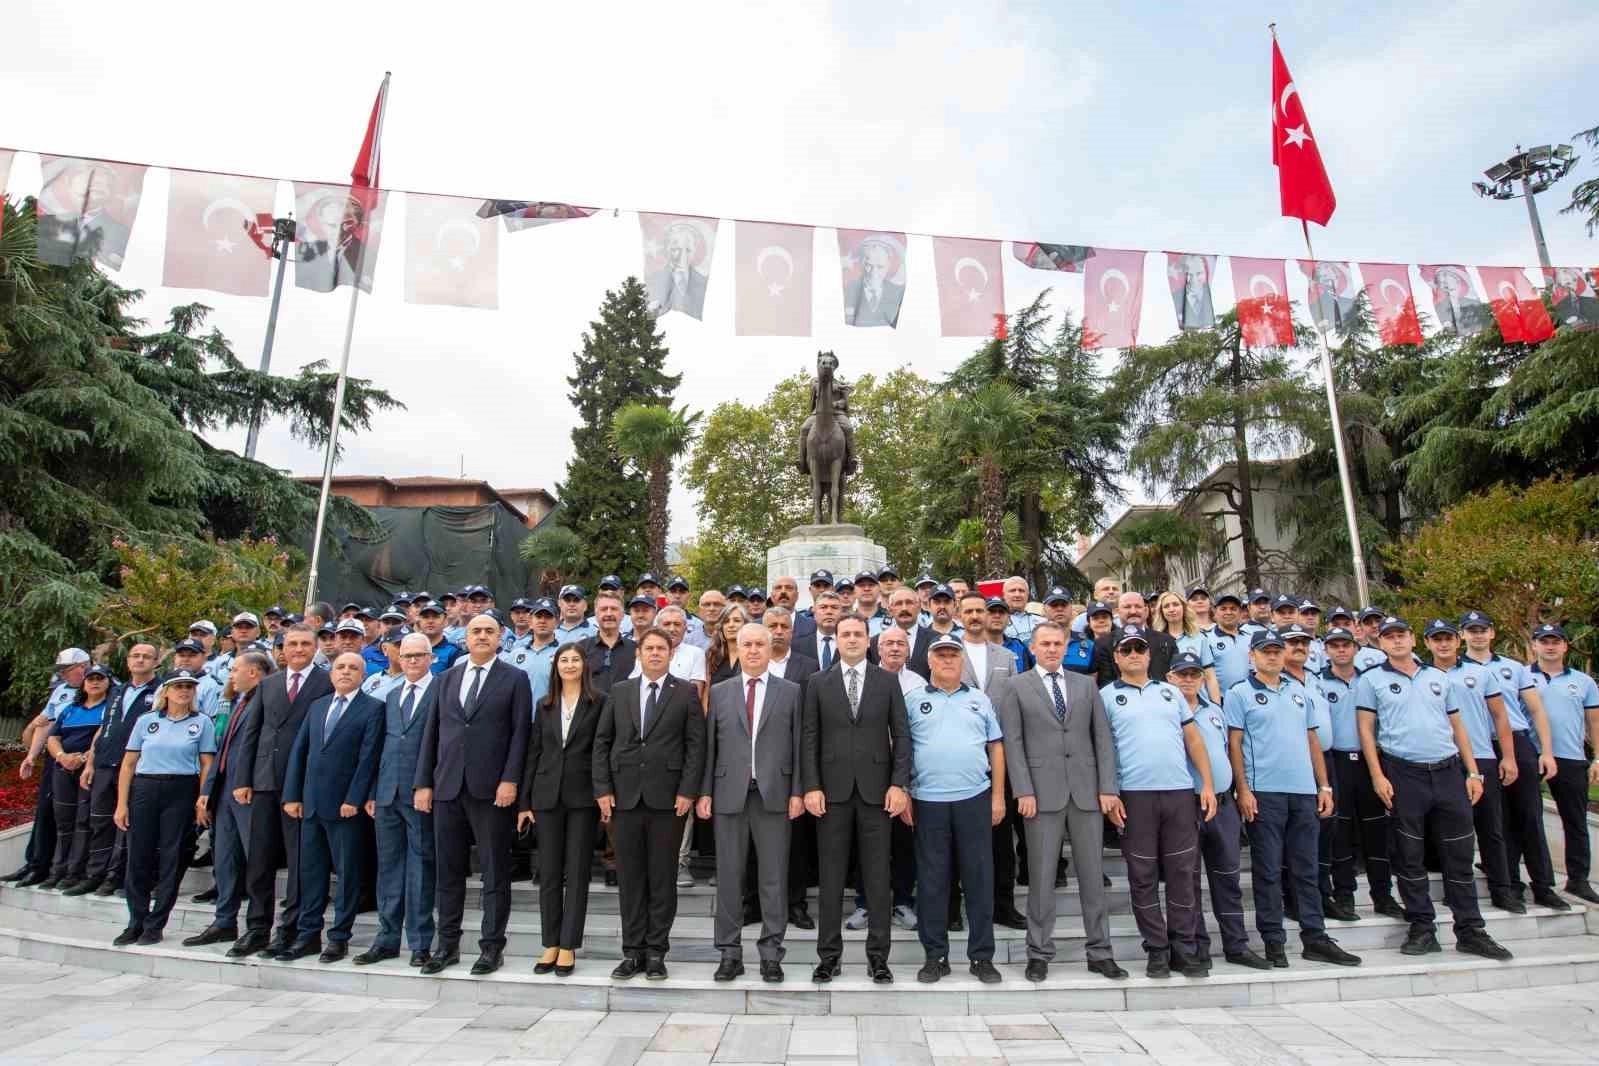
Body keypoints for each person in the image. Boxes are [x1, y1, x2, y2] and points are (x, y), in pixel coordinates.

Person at [1356, 616, 1513, 959]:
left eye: (1401, 635)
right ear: (1381, 643)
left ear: (1414, 639)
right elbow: (1366, 730)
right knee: (1409, 855)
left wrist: (1473, 773)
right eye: (1389, 637)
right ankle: (1422, 926)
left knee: (1459, 854)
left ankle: (1470, 929)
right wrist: (1377, 775)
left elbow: (1457, 727)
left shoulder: (1438, 678)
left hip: (1447, 771)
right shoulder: (1371, 680)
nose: (1396, 641)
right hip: (1403, 772)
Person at [996, 621, 1126, 983]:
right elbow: (1013, 742)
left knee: (1092, 878)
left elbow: (1102, 738)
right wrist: (1023, 790)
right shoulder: (1016, 686)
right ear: (1032, 648)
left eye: (1057, 643)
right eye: (1045, 644)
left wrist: (1108, 787)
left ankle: (1100, 952)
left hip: (1086, 793)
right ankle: (1038, 953)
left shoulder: (1085, 685)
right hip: (1040, 795)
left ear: (1066, 646)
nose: (1052, 649)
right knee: (1041, 879)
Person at [1224, 628, 1360, 968]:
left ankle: (1315, 937)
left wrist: (1323, 785)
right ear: (1252, 656)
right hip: (1264, 792)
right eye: (1265, 651)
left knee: (1307, 869)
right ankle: (1274, 940)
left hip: (1303, 791)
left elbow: (1312, 739)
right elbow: (1234, 744)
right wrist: (1243, 789)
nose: (1272, 656)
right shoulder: (1240, 693)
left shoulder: (1299, 691)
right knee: (1269, 870)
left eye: (1276, 650)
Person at [413, 613, 531, 976]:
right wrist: (423, 783)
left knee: (494, 872)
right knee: (448, 872)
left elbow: (520, 734)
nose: (482, 636)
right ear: (465, 637)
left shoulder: (515, 678)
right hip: (447, 787)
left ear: (500, 637)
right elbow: (432, 732)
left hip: (492, 789)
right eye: (475, 631)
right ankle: (446, 945)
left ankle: (491, 947)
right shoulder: (446, 678)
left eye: (488, 631)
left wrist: (510, 780)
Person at [1101, 628, 1217, 977]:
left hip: (1179, 792)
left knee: (1182, 873)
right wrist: (1110, 793)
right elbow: (1102, 750)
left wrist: (1207, 784)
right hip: (1135, 796)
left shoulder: (1171, 692)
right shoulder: (1106, 696)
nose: (1134, 654)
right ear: (1117, 657)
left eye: (1140, 648)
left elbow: (1193, 740)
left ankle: (1184, 948)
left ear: (1149, 655)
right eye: (1127, 650)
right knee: (1142, 875)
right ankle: (1156, 949)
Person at [801, 613, 911, 984]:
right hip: (830, 795)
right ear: (837, 639)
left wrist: (899, 784)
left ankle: (878, 958)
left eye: (858, 634)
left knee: (878, 878)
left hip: (878, 793)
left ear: (869, 641)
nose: (851, 639)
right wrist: (811, 786)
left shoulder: (887, 681)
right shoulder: (818, 682)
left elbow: (902, 735)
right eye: (845, 634)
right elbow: (809, 737)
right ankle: (828, 957)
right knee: (831, 879)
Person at [593, 627, 705, 981]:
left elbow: (696, 746)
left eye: (661, 648)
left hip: (668, 800)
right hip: (624, 798)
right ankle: (632, 952)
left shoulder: (685, 692)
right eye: (649, 648)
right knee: (630, 879)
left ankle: (656, 952)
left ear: (671, 654)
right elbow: (602, 742)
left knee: (661, 879)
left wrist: (687, 791)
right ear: (638, 654)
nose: (655, 653)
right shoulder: (620, 691)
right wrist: (602, 789)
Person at [700, 624, 804, 983]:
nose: (754, 650)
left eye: (761, 644)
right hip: (729, 794)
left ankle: (771, 954)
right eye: (748, 644)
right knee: (729, 878)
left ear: (770, 648)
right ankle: (729, 953)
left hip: (775, 795)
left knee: (773, 878)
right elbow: (709, 747)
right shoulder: (720, 692)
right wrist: (705, 792)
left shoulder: (790, 692)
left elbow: (799, 745)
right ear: (738, 648)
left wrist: (798, 792)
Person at [904, 634, 1007, 985]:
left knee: (979, 879)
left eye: (953, 654)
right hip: (928, 800)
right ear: (929, 661)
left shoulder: (979, 699)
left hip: (974, 798)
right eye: (941, 655)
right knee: (932, 882)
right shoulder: (913, 700)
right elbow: (901, 749)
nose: (947, 660)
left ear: (961, 660)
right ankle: (936, 956)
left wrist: (997, 796)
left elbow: (996, 747)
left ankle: (982, 957)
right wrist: (904, 791)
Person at [228, 623, 333, 959]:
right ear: (283, 649)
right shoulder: (269, 684)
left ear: (315, 648)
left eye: (305, 644)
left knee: (301, 864)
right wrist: (243, 779)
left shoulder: (325, 682)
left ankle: (292, 930)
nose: (298, 650)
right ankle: (257, 929)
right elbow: (252, 733)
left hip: (301, 787)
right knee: (259, 861)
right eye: (292, 644)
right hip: (264, 783)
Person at [279, 653, 384, 963]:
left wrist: (354, 798)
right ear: (331, 673)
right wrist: (292, 795)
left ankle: (339, 937)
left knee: (348, 875)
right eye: (340, 667)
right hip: (311, 804)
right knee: (311, 873)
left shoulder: (373, 708)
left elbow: (368, 758)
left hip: (344, 808)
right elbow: (300, 751)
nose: (346, 672)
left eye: (353, 668)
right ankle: (308, 934)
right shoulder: (318, 706)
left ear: (363, 675)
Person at [1458, 611, 1566, 911]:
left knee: (1530, 815)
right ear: (1462, 635)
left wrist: (1545, 751)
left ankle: (1543, 885)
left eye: (1483, 630)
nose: (1478, 635)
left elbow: (1536, 710)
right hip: (1480, 746)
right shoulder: (1453, 669)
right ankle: (1509, 884)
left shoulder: (1513, 668)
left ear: (1492, 633)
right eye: (1472, 630)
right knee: (1496, 820)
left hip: (1516, 743)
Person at [1169, 652, 1269, 970]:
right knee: (1188, 880)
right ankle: (1197, 946)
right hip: (1187, 804)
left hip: (1224, 803)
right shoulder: (1166, 711)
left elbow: (1227, 750)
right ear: (1170, 678)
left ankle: (1236, 944)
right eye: (1182, 674)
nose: (1188, 680)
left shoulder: (1215, 710)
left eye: (1194, 674)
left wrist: (1240, 790)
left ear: (1203, 678)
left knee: (1228, 877)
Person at [350, 634, 437, 967]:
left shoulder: (441, 691)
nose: (412, 660)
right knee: (388, 869)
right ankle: (386, 940)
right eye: (407, 655)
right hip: (387, 793)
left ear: (430, 658)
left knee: (420, 869)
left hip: (420, 794)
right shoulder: (391, 694)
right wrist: (373, 791)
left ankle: (420, 942)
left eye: (418, 655)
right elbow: (379, 747)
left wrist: (426, 785)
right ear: (398, 658)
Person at [111, 669, 216, 946]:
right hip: (145, 787)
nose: (184, 691)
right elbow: (129, 764)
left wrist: (202, 798)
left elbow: (206, 763)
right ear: (166, 691)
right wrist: (121, 804)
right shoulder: (147, 721)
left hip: (181, 788)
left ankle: (156, 923)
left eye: (189, 687)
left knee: (173, 857)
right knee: (138, 856)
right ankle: (136, 920)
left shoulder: (201, 722)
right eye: (178, 686)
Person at [1423, 619, 1521, 913]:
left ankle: (1502, 889)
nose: (1443, 644)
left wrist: (1508, 756)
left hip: (1481, 755)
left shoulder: (1480, 673)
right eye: (1436, 639)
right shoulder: (1421, 676)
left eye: (1447, 638)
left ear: (1458, 640)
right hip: (1445, 760)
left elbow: (1500, 716)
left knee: (1492, 828)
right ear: (1427, 643)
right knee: (1452, 831)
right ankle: (1456, 890)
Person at [517, 643, 602, 977]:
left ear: (584, 665)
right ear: (556, 667)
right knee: (549, 873)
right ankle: (550, 942)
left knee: (577, 872)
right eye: (563, 660)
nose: (569, 665)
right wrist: (525, 802)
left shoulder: (599, 702)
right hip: (546, 796)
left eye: (575, 659)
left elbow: (602, 750)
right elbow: (534, 752)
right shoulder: (545, 704)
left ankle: (568, 944)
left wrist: (603, 793)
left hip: (583, 797)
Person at [185, 651, 273, 946]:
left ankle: (257, 927)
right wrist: (207, 791)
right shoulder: (239, 702)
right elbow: (223, 750)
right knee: (225, 861)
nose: (231, 676)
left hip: (249, 794)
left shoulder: (267, 701)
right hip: (224, 794)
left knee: (256, 864)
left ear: (254, 672)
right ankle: (224, 921)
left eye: (236, 670)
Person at [1318, 626, 1402, 919]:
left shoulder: (1371, 680)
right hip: (1337, 760)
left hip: (1370, 761)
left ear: (1356, 648)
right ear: (1326, 650)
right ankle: (1344, 894)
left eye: (1346, 645)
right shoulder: (1318, 682)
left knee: (1376, 829)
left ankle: (1383, 895)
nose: (1341, 650)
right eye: (1335, 645)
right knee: (1340, 832)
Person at [76, 644, 160, 897]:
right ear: (127, 661)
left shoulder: (162, 690)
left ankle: (119, 876)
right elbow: (104, 727)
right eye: (135, 656)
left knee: (128, 824)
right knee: (100, 822)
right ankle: (96, 874)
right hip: (105, 764)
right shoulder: (117, 691)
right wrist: (90, 763)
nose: (140, 660)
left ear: (156, 662)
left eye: (146, 656)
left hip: (137, 768)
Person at [1526, 623, 1599, 904]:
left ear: (1565, 646)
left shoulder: (1583, 682)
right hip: (1531, 756)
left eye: (1555, 641)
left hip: (1570, 757)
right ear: (1535, 645)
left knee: (1575, 821)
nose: (1550, 646)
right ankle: (1535, 879)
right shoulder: (1522, 676)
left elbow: (1594, 722)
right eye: (1544, 641)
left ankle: (1578, 879)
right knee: (1527, 819)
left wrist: (1596, 757)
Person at [42, 663, 114, 889]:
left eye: (100, 678)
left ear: (109, 683)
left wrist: (83, 759)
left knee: (84, 822)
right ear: (83, 683)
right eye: (90, 678)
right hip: (63, 770)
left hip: (90, 770)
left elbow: (104, 739)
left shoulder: (110, 710)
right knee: (64, 822)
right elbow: (53, 738)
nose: (95, 682)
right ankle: (58, 870)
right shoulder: (70, 709)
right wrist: (62, 757)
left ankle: (75, 873)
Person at [1152, 591, 1221, 703]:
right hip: (1166, 702)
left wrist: (1216, 706)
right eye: (1166, 606)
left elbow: (1210, 677)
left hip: (1197, 703)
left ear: (1184, 608)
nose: (1171, 609)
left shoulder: (1199, 638)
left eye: (1176, 604)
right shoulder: (1155, 640)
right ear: (1161, 612)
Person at [501, 597, 561, 707]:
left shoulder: (563, 654)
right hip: (520, 716)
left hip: (551, 715)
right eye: (538, 616)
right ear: (530, 622)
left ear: (557, 622)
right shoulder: (514, 655)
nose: (542, 621)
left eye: (548, 617)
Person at [579, 590, 636, 693]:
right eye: (604, 609)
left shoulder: (635, 649)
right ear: (596, 614)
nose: (609, 614)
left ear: (623, 614)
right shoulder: (581, 649)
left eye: (614, 609)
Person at [844, 237, 904, 327]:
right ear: (861, 263)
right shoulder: (847, 290)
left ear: (888, 266)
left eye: (880, 267)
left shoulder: (897, 292)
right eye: (868, 265)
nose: (873, 273)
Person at [706, 604, 751, 685]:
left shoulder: (753, 654)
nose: (731, 625)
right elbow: (707, 689)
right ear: (721, 627)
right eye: (726, 621)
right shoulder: (712, 655)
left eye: (737, 621)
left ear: (746, 624)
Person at [415, 602, 463, 676]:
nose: (430, 621)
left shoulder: (453, 652)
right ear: (419, 622)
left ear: (445, 621)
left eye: (435, 617)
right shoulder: (411, 649)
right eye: (425, 617)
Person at [987, 598, 1033, 673]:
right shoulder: (973, 647)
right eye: (991, 612)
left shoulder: (1019, 647)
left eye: (1001, 612)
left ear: (1009, 619)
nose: (997, 615)